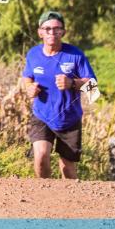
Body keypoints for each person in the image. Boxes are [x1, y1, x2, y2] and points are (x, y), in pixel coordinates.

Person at [20, 11, 96, 179]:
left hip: (69, 118)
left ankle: (69, 202)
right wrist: (29, 88)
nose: (52, 33)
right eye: (47, 29)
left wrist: (72, 83)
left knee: (67, 169)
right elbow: (27, 76)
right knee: (40, 157)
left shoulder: (75, 55)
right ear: (40, 32)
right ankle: (45, 198)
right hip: (42, 115)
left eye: (56, 29)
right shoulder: (33, 54)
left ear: (63, 32)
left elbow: (93, 90)